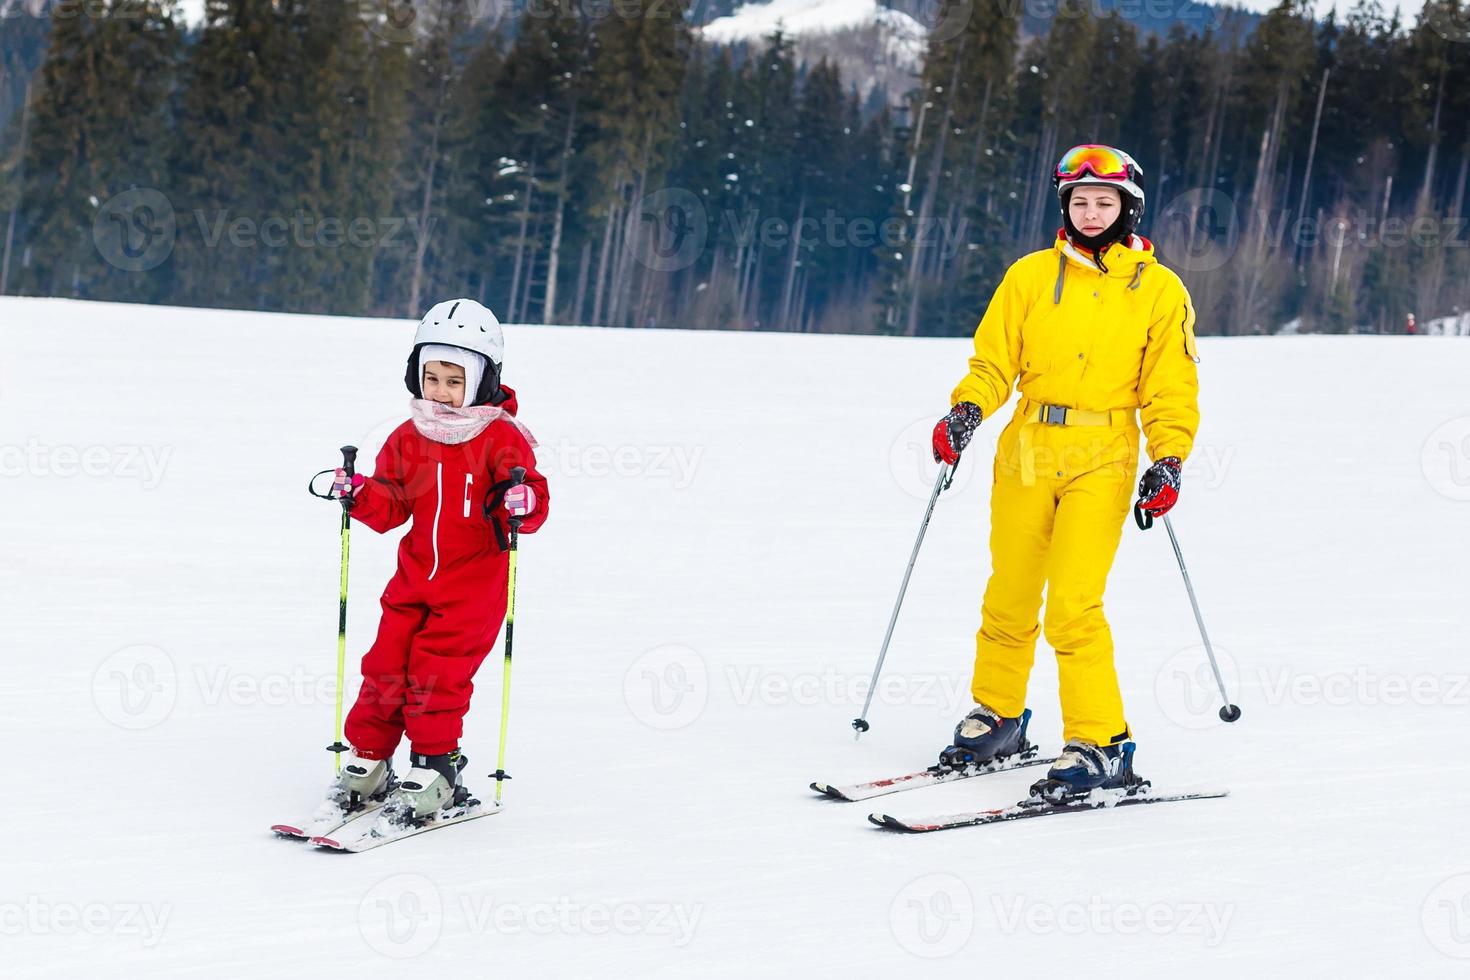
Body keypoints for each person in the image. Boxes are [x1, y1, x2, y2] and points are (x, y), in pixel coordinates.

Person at [930, 144, 1200, 798]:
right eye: (1080, 201)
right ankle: (999, 715)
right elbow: (994, 361)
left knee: (1074, 604)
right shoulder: (1027, 277)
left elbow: (1169, 386)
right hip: (1027, 449)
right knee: (1010, 593)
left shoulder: (1159, 292)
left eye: (1103, 202)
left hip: (1103, 453)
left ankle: (1102, 741)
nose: (1090, 211)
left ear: (1127, 207)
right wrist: (967, 410)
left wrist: (1168, 458)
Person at [321, 298, 550, 823]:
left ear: (481, 380)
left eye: (454, 380)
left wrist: (522, 503)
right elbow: (392, 504)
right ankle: (369, 761)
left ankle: (434, 769)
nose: (440, 392)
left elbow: (531, 498)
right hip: (412, 580)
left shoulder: (501, 437)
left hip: (472, 590)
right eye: (431, 376)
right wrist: (360, 495)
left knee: (435, 678)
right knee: (384, 669)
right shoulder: (408, 436)